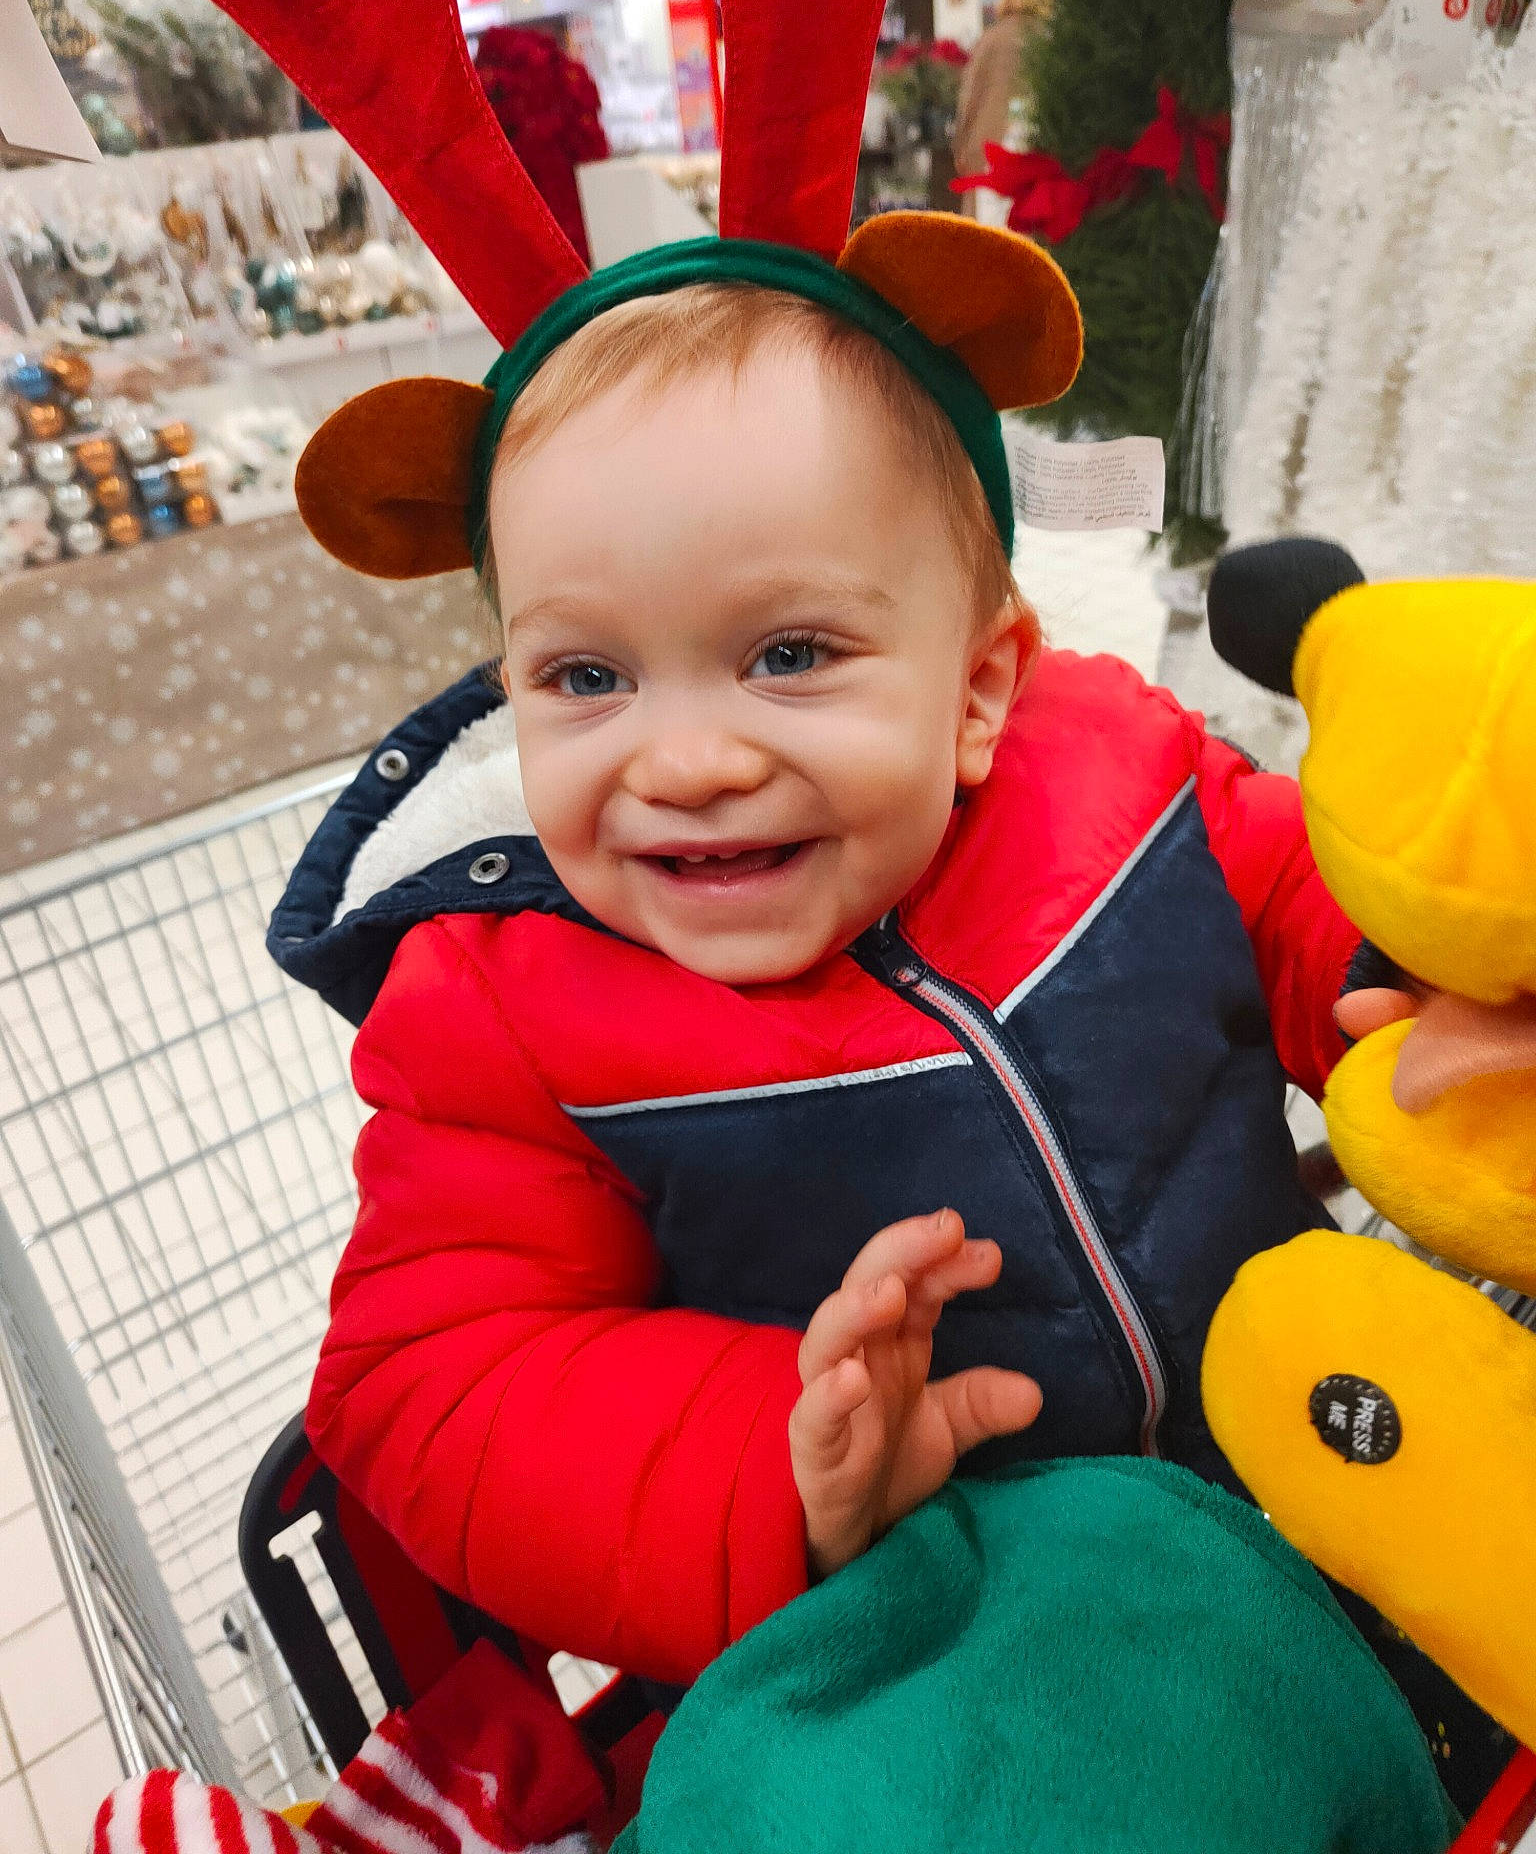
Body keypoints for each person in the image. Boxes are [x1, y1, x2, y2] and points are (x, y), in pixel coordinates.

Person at [272, 275, 1364, 1689]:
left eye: (789, 655)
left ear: (978, 693)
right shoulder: (509, 1016)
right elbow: (429, 1381)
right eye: (587, 677)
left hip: (1314, 1459)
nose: (684, 764)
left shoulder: (1111, 771)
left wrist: (1385, 974)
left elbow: (1285, 883)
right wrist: (773, 1461)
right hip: (948, 1643)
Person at [952, 0, 1052, 182]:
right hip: (1038, 145)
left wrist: (960, 146)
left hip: (989, 143)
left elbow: (969, 98)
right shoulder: (1049, 39)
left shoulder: (990, 39)